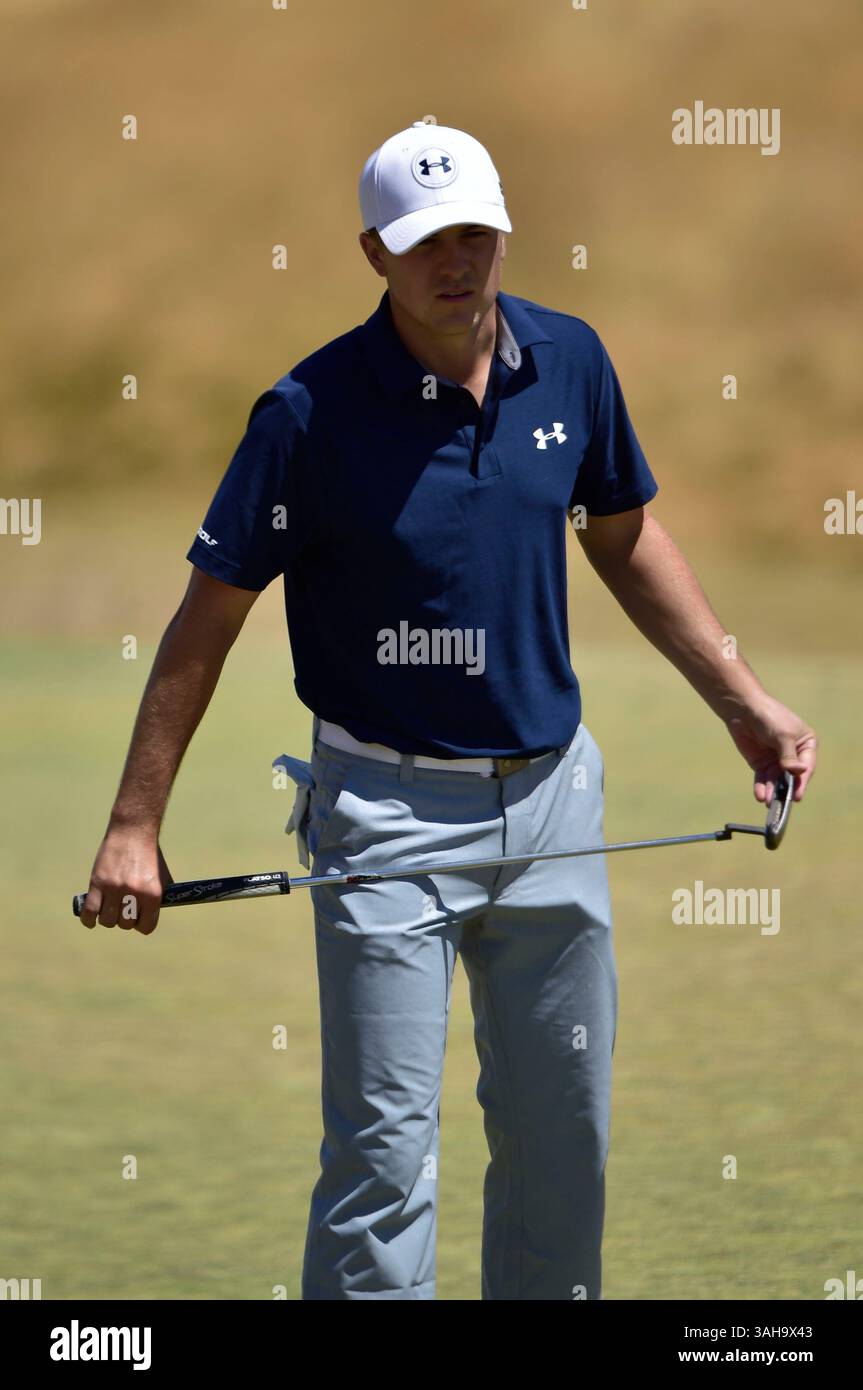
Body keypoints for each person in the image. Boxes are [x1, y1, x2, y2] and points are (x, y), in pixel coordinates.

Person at [79, 121, 818, 1300]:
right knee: (382, 1162)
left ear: (506, 231)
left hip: (553, 808)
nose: (455, 260)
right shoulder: (306, 414)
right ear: (373, 250)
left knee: (560, 1145)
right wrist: (133, 820)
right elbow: (205, 618)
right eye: (425, 240)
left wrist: (741, 701)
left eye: (474, 231)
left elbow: (620, 537)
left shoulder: (569, 364)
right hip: (382, 818)